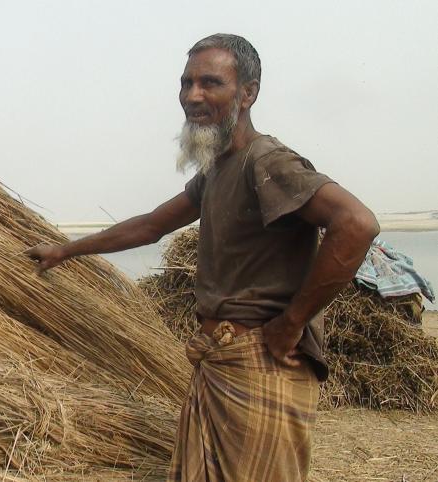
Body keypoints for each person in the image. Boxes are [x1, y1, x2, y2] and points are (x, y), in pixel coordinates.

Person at [26, 34, 379, 481]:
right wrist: (64, 250)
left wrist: (293, 321)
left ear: (248, 93)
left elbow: (357, 224)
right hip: (219, 358)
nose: (193, 96)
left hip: (262, 363)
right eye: (186, 83)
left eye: (210, 83)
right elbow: (151, 225)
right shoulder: (218, 168)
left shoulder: (266, 161)